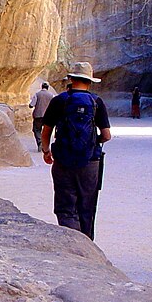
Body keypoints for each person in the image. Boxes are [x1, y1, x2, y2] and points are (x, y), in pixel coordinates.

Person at [41, 62, 111, 239]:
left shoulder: (60, 101)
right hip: (90, 162)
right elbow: (107, 135)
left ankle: (71, 242)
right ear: (90, 81)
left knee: (65, 205)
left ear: (70, 79)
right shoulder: (97, 102)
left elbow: (47, 129)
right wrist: (95, 142)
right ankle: (86, 244)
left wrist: (46, 150)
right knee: (87, 205)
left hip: (63, 160)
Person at [29, 82, 56, 151]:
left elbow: (31, 105)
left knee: (37, 129)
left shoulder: (37, 94)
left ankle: (40, 142)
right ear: (48, 87)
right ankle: (45, 145)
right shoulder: (51, 95)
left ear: (41, 86)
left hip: (38, 115)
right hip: (48, 116)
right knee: (47, 131)